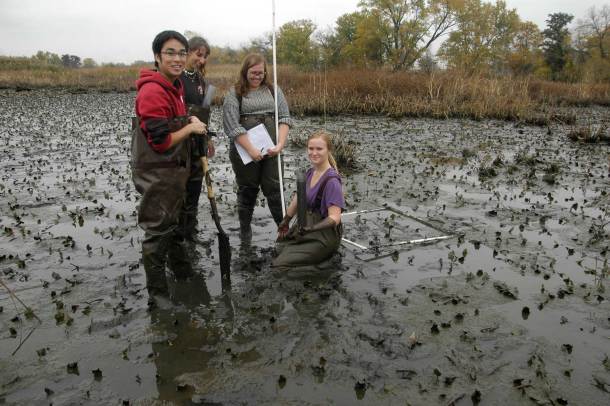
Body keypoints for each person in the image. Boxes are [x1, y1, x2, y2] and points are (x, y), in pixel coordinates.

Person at [131, 30, 207, 299]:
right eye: (170, 53)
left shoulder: (175, 88)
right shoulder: (152, 91)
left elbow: (176, 125)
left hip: (174, 171)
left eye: (182, 53)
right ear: (157, 56)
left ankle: (183, 273)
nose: (177, 59)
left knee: (173, 227)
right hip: (157, 171)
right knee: (157, 233)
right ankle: (158, 297)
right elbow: (161, 142)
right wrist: (190, 129)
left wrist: (194, 130)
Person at [222, 53, 293, 241]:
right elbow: (232, 126)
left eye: (261, 73)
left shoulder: (273, 89)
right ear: (245, 72)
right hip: (245, 152)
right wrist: (251, 150)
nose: (257, 76)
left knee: (275, 189)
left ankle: (283, 228)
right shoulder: (234, 93)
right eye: (253, 72)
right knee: (248, 189)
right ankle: (245, 230)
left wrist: (280, 145)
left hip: (272, 151)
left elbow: (285, 118)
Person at [272, 130, 345, 268]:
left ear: (328, 150)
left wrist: (311, 228)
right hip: (306, 228)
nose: (314, 153)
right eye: (311, 148)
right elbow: (298, 198)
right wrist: (286, 220)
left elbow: (335, 218)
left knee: (280, 265)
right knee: (277, 250)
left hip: (324, 235)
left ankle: (320, 273)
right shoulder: (311, 172)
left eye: (319, 149)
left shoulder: (332, 181)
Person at [179, 36, 215, 241]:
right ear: (188, 52)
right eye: (198, 55)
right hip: (179, 143)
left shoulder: (201, 81)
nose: (201, 60)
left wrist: (208, 139)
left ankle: (190, 231)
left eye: (205, 57)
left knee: (194, 189)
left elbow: (204, 113)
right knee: (179, 191)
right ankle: (177, 236)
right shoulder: (176, 78)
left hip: (198, 144)